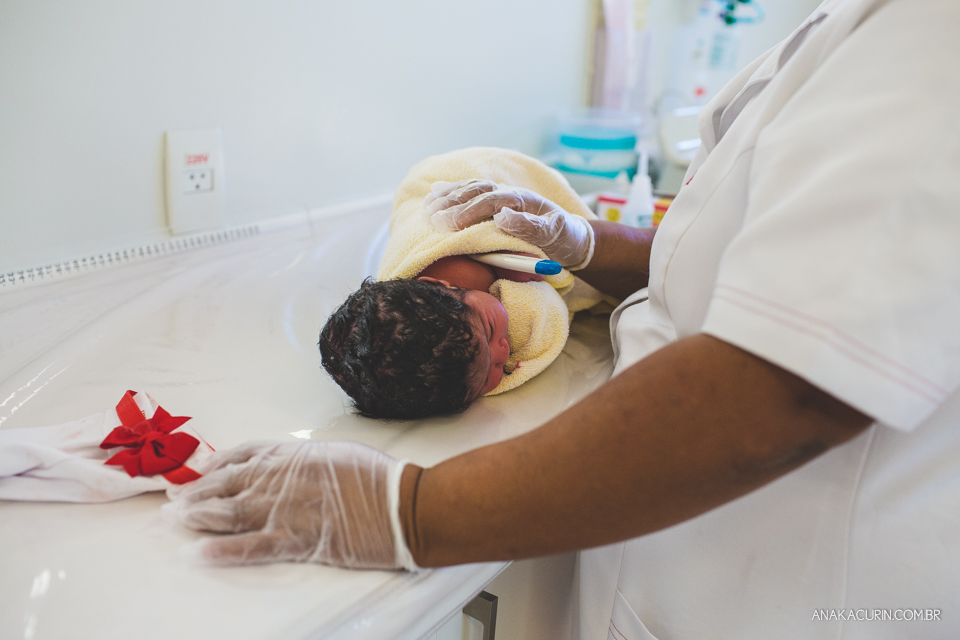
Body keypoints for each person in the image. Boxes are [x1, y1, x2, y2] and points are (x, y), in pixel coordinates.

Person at [168, 0, 960, 636]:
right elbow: (733, 260)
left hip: (805, 591)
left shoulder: (932, 34)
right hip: (691, 554)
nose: (507, 355)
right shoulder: (863, 23)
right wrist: (584, 243)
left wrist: (408, 512)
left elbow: (789, 387)